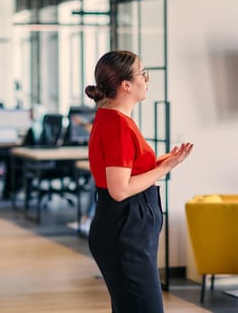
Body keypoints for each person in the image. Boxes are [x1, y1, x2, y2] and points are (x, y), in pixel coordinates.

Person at [85, 50, 193, 312]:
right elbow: (120, 189)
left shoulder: (114, 118)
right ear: (126, 85)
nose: (147, 79)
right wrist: (165, 167)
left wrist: (158, 163)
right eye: (143, 74)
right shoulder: (118, 124)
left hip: (126, 228)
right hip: (125, 229)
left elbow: (127, 172)